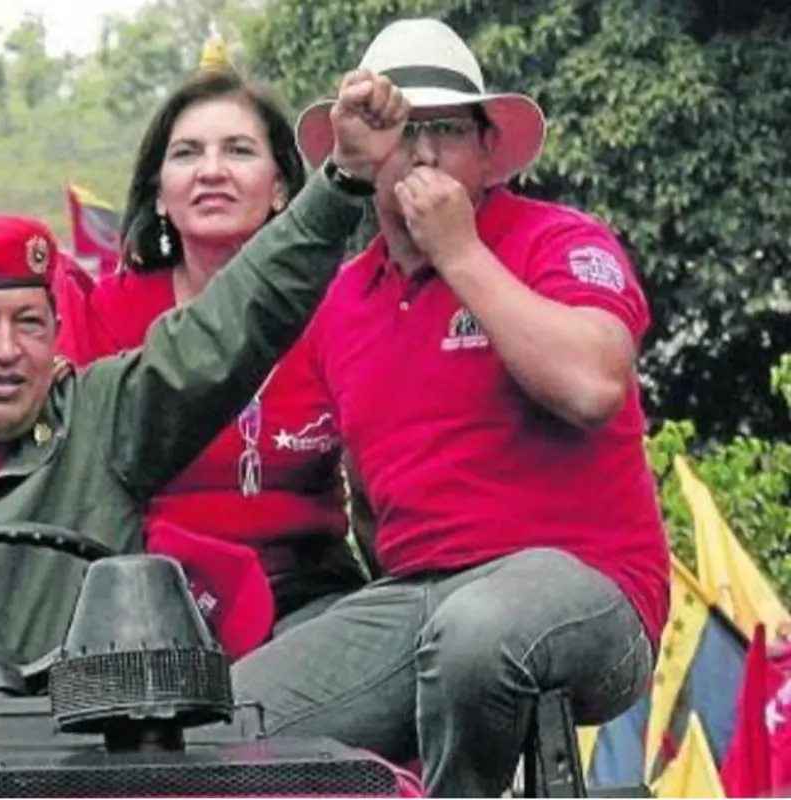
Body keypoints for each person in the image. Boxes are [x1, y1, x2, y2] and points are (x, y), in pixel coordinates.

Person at [0, 69, 408, 750]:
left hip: (78, 765)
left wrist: (343, 180)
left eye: (30, 324)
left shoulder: (98, 421)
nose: (7, 350)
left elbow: (231, 324)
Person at [231, 18, 670, 797]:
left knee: (476, 633)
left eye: (446, 130)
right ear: (364, 157)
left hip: (589, 587)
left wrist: (459, 253)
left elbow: (594, 389)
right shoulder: (342, 302)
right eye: (400, 130)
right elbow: (366, 500)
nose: (425, 153)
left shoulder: (557, 241)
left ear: (485, 150)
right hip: (419, 597)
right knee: (228, 723)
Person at [56, 67, 365, 654]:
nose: (211, 171)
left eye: (239, 151)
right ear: (159, 194)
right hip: (148, 605)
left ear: (281, 188)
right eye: (187, 153)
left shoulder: (340, 305)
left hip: (310, 602)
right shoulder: (106, 313)